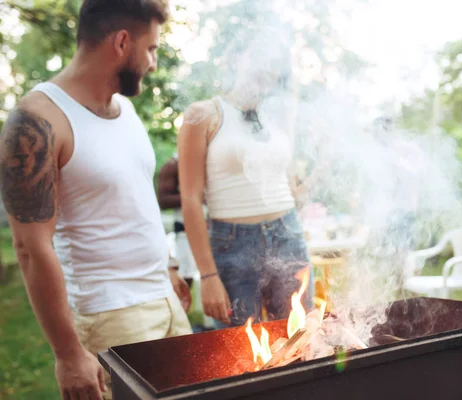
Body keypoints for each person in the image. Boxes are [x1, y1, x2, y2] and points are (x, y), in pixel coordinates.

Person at [0, 1, 192, 399]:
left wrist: (169, 266)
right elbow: (30, 248)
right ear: (122, 42)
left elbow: (136, 198)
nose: (153, 62)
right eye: (151, 49)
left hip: (165, 300)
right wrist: (68, 354)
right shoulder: (36, 121)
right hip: (112, 316)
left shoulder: (126, 109)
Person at [177, 28, 314, 328]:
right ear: (236, 58)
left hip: (287, 235)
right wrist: (208, 275)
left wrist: (323, 168)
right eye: (259, 56)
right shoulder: (202, 114)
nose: (268, 67)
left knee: (301, 342)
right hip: (232, 245)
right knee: (238, 355)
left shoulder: (279, 114)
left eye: (275, 61)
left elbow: (290, 185)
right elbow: (190, 199)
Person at [157, 153, 196, 287]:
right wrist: (194, 198)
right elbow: (163, 199)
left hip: (219, 229)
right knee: (185, 277)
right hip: (186, 230)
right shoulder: (174, 164)